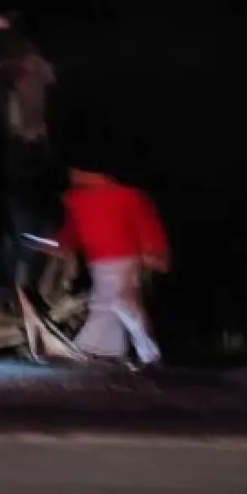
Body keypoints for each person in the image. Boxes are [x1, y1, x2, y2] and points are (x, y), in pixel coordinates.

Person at [56, 153, 169, 370]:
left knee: (117, 302)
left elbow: (145, 225)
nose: (73, 175)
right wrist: (64, 246)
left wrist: (155, 252)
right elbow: (72, 229)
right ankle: (113, 348)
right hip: (101, 260)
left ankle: (101, 347)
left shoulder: (126, 196)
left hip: (123, 257)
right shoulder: (77, 199)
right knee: (115, 303)